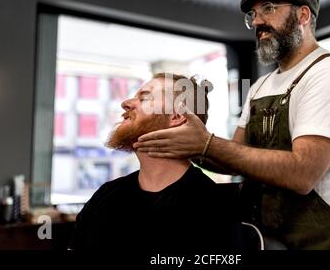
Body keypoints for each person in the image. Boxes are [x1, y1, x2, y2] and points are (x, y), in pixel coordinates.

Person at [134, 0, 330, 250]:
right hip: (269, 239)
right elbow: (234, 156)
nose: (257, 22)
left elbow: (303, 174)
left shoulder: (329, 74)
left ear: (303, 15)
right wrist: (185, 144)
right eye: (253, 15)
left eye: (269, 9)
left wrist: (206, 143)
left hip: (328, 242)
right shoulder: (260, 86)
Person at [70, 73, 241, 251]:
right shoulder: (106, 196)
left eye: (144, 97)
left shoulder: (210, 207)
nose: (126, 103)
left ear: (176, 116)